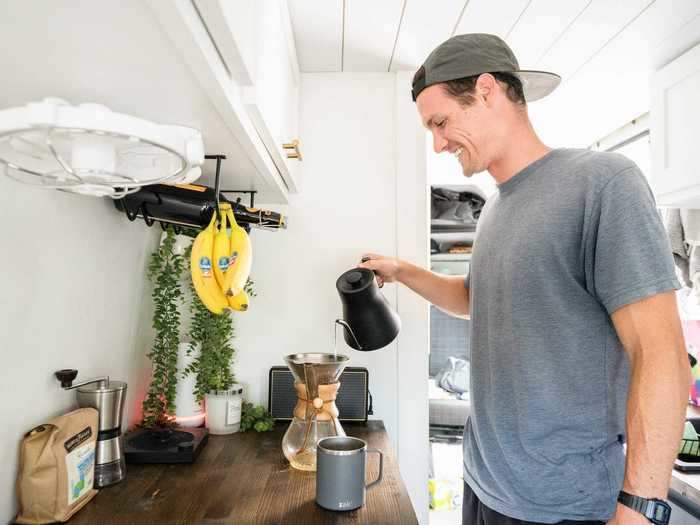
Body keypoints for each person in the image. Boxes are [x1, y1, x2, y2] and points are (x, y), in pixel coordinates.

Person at [360, 34, 690, 525]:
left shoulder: (602, 182)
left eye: (441, 122)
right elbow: (474, 299)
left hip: (560, 505)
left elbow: (661, 355)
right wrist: (402, 271)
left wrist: (640, 507)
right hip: (484, 484)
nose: (439, 142)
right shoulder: (494, 206)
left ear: (488, 90)